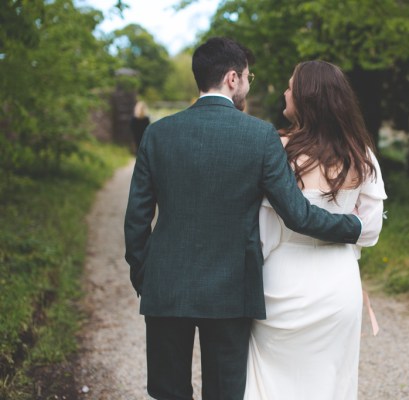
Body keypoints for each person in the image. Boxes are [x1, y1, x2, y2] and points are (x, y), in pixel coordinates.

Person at [124, 38, 364, 400]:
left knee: (168, 391)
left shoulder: (158, 133)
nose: (249, 84)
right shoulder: (260, 135)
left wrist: (145, 275)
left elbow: (137, 218)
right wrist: (355, 227)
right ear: (232, 78)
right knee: (224, 393)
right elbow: (297, 214)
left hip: (166, 286)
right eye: (249, 77)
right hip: (230, 291)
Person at [244, 60, 387, 400]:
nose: (285, 91)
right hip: (338, 285)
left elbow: (264, 233)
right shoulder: (360, 154)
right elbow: (370, 230)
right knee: (329, 385)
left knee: (272, 384)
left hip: (282, 284)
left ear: (306, 97)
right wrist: (344, 226)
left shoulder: (279, 150)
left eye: (291, 86)